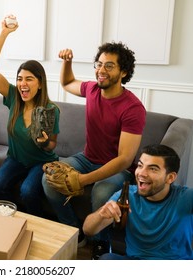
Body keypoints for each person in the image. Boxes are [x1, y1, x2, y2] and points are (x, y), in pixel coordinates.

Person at [42, 42, 146, 257]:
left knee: (101, 193)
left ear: (123, 72)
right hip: (86, 157)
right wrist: (67, 62)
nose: (101, 70)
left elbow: (125, 159)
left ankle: (101, 243)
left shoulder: (133, 108)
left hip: (117, 168)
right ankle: (75, 232)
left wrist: (84, 179)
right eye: (99, 64)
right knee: (49, 180)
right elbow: (67, 82)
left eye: (109, 66)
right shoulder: (91, 89)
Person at [0, 16, 60, 217]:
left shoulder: (51, 109)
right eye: (19, 79)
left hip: (40, 161)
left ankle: (37, 224)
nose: (22, 84)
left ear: (40, 83)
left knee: (28, 191)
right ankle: (9, 220)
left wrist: (44, 143)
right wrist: (4, 33)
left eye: (29, 79)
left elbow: (52, 145)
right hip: (16, 159)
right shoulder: (13, 97)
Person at [83, 144, 193, 260]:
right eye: (140, 166)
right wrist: (101, 215)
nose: (141, 173)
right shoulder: (128, 195)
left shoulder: (186, 197)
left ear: (170, 178)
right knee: (106, 259)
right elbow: (88, 230)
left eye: (152, 169)